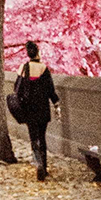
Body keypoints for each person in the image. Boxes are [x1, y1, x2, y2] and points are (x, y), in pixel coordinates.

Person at [8, 39, 59, 180]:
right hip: (42, 108)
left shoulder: (23, 68)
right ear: (38, 53)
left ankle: (37, 162)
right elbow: (51, 91)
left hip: (29, 108)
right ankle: (44, 164)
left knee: (33, 137)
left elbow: (16, 88)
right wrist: (56, 104)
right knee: (42, 137)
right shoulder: (44, 68)